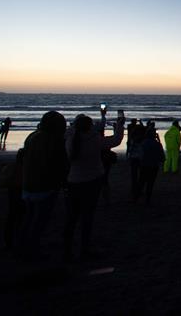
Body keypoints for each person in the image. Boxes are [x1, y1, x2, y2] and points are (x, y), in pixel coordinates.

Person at [63, 112, 125, 261]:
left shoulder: (70, 138)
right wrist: (119, 126)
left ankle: (67, 250)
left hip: (73, 181)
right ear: (90, 127)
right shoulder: (94, 140)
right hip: (92, 181)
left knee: (71, 218)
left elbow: (77, 129)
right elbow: (115, 140)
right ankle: (84, 249)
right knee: (87, 217)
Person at [18, 111, 68, 258]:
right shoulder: (54, 140)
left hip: (28, 183)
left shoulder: (32, 136)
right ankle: (32, 249)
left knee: (29, 217)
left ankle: (22, 246)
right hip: (45, 185)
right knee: (40, 220)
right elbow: (58, 163)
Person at [136, 123, 165, 203]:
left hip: (144, 165)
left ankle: (136, 198)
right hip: (153, 166)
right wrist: (159, 140)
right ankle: (147, 199)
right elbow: (162, 158)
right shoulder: (158, 144)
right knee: (150, 183)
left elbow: (140, 155)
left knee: (141, 182)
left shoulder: (143, 143)